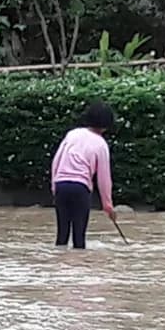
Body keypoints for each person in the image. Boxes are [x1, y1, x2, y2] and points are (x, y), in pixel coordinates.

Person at [50, 102, 117, 250]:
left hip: (61, 184)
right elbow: (104, 179)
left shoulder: (72, 134)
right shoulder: (101, 145)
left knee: (62, 234)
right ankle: (79, 263)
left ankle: (58, 261)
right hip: (80, 188)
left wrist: (54, 186)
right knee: (79, 237)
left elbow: (57, 160)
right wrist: (108, 206)